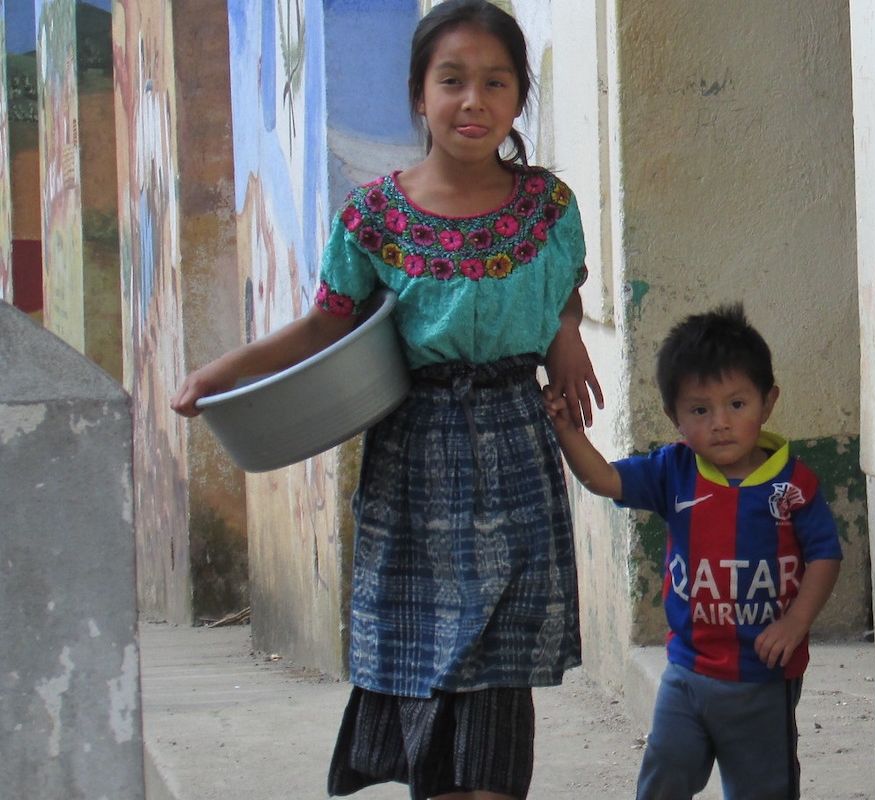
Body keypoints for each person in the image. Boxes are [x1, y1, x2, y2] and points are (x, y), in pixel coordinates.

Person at [171, 2, 597, 797]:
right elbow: (325, 325)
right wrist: (222, 372)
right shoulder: (373, 217)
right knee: (423, 653)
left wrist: (566, 332)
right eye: (452, 81)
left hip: (515, 449)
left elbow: (565, 290)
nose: (474, 100)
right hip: (414, 460)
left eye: (495, 83)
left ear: (517, 98)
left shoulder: (549, 208)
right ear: (419, 94)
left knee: (496, 663)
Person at [544, 303, 842, 800]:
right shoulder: (672, 472)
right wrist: (568, 434)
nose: (720, 423)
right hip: (687, 674)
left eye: (737, 404)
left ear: (768, 403)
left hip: (763, 681)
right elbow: (604, 478)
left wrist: (796, 623)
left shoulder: (794, 484)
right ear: (675, 417)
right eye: (700, 410)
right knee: (663, 780)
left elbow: (826, 557)